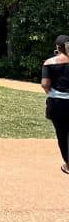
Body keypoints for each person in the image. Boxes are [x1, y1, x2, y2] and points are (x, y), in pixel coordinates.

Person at [41, 34, 69, 175]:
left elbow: (45, 84)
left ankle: (68, 164)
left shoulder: (49, 62)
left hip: (57, 103)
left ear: (58, 47)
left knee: (62, 134)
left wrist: (51, 92)